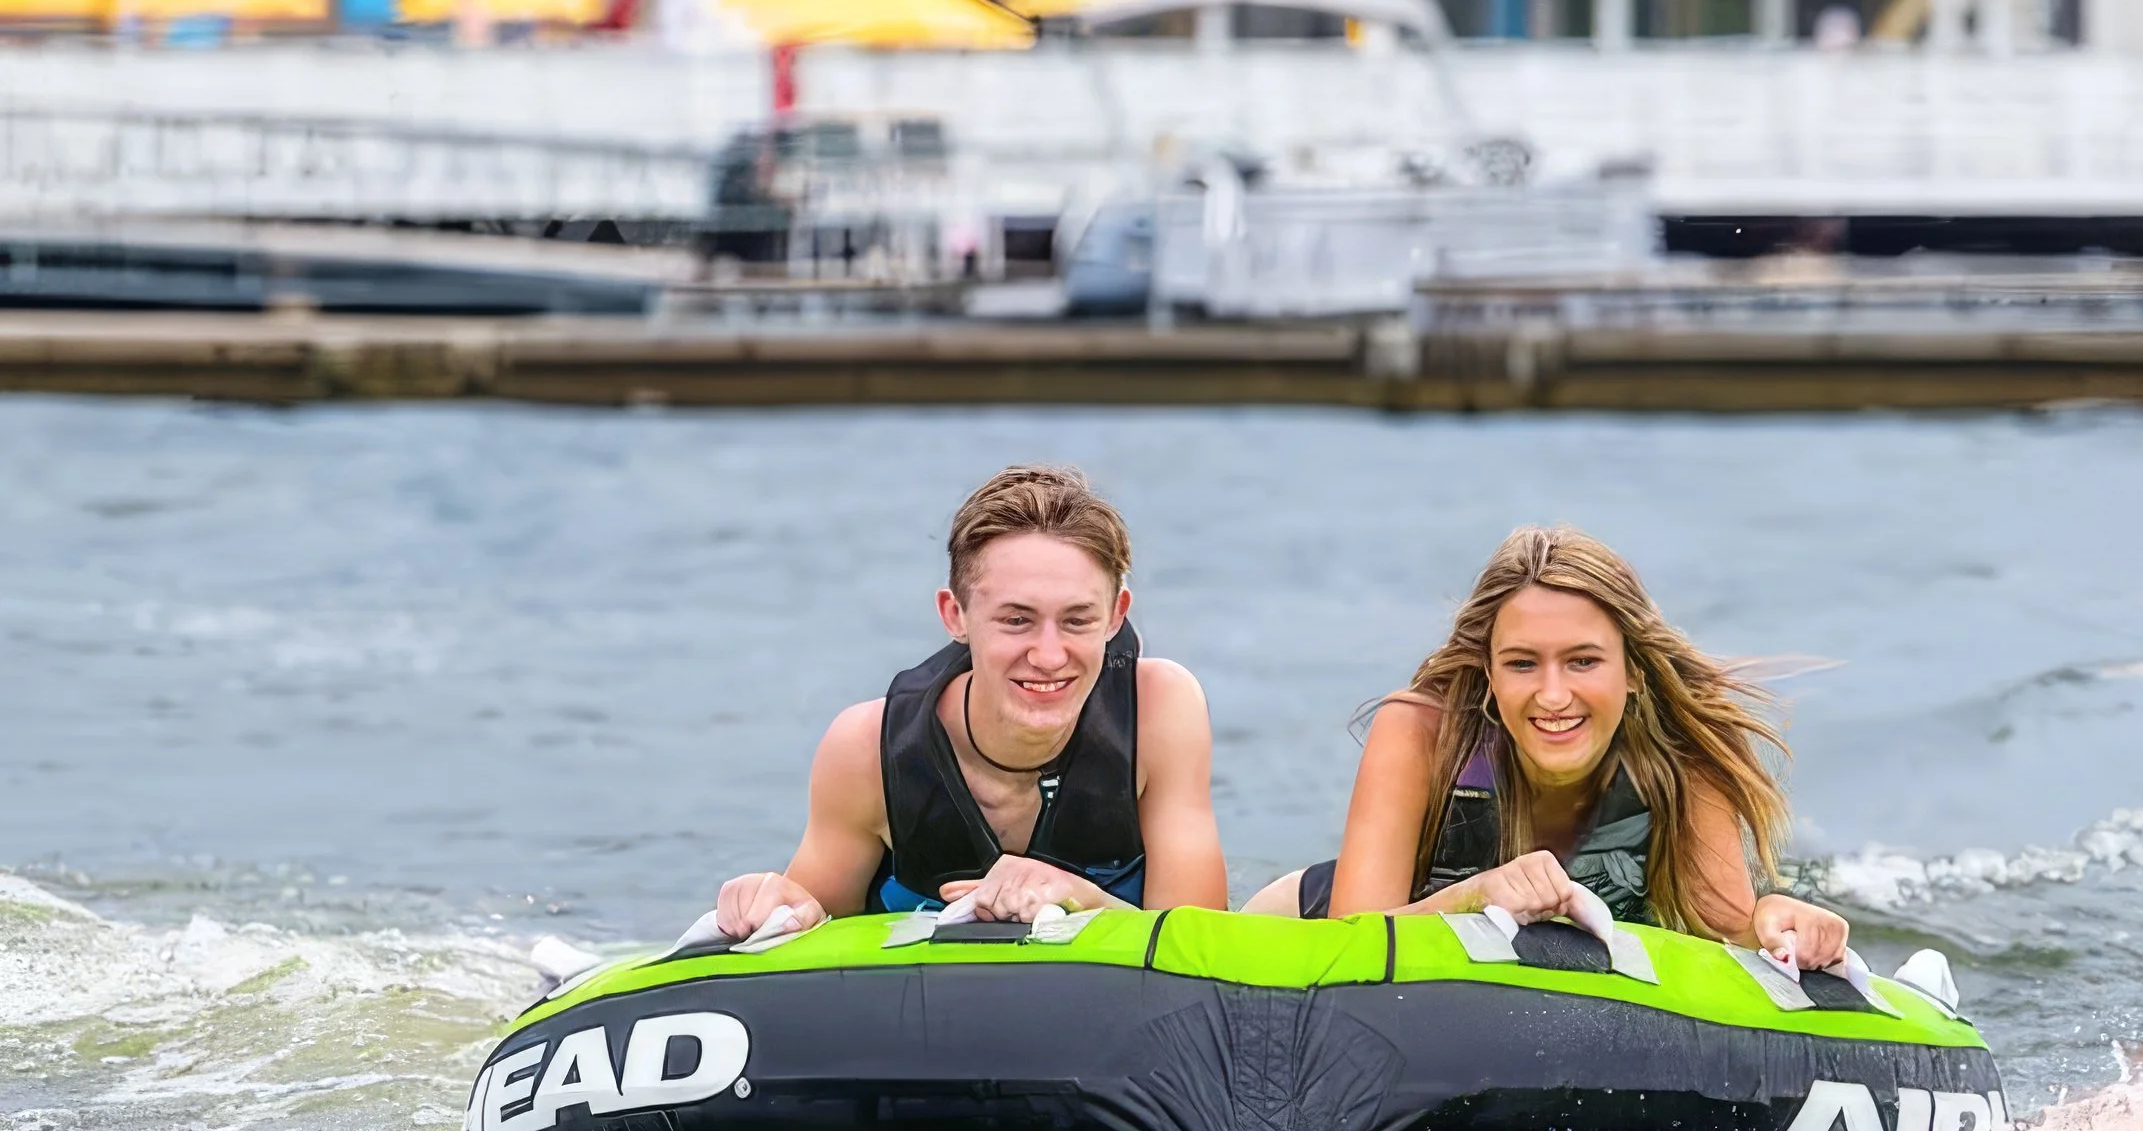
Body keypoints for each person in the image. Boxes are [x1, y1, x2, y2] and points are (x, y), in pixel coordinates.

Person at [1243, 524, 1850, 967]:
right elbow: (1350, 942)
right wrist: (1479, 894)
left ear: (1633, 670)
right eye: (1523, 663)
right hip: (1309, 919)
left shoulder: (1683, 761)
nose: (1553, 695)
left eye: (1583, 661)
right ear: (1489, 671)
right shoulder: (1421, 733)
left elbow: (1725, 936)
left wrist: (1776, 922)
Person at [714, 465, 1227, 934]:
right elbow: (811, 924)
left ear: (1116, 616)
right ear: (954, 615)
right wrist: (773, 903)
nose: (1049, 656)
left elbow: (1203, 942)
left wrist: (1084, 899)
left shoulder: (1160, 708)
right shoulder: (866, 748)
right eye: (1016, 620)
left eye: (1077, 620)